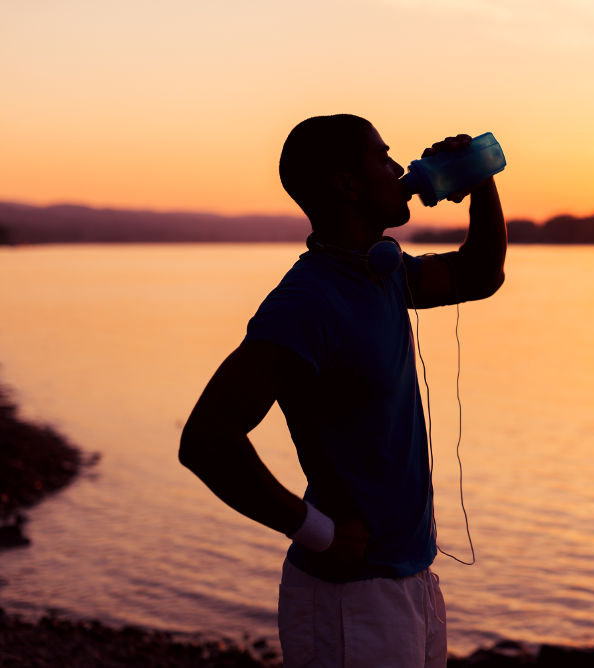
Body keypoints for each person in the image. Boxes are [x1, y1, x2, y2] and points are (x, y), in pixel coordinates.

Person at [178, 114, 506, 667]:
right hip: (348, 600)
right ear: (347, 185)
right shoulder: (307, 302)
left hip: (412, 579)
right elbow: (208, 438)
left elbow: (480, 275)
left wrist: (481, 182)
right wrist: (316, 531)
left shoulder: (384, 272)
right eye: (383, 157)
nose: (400, 168)